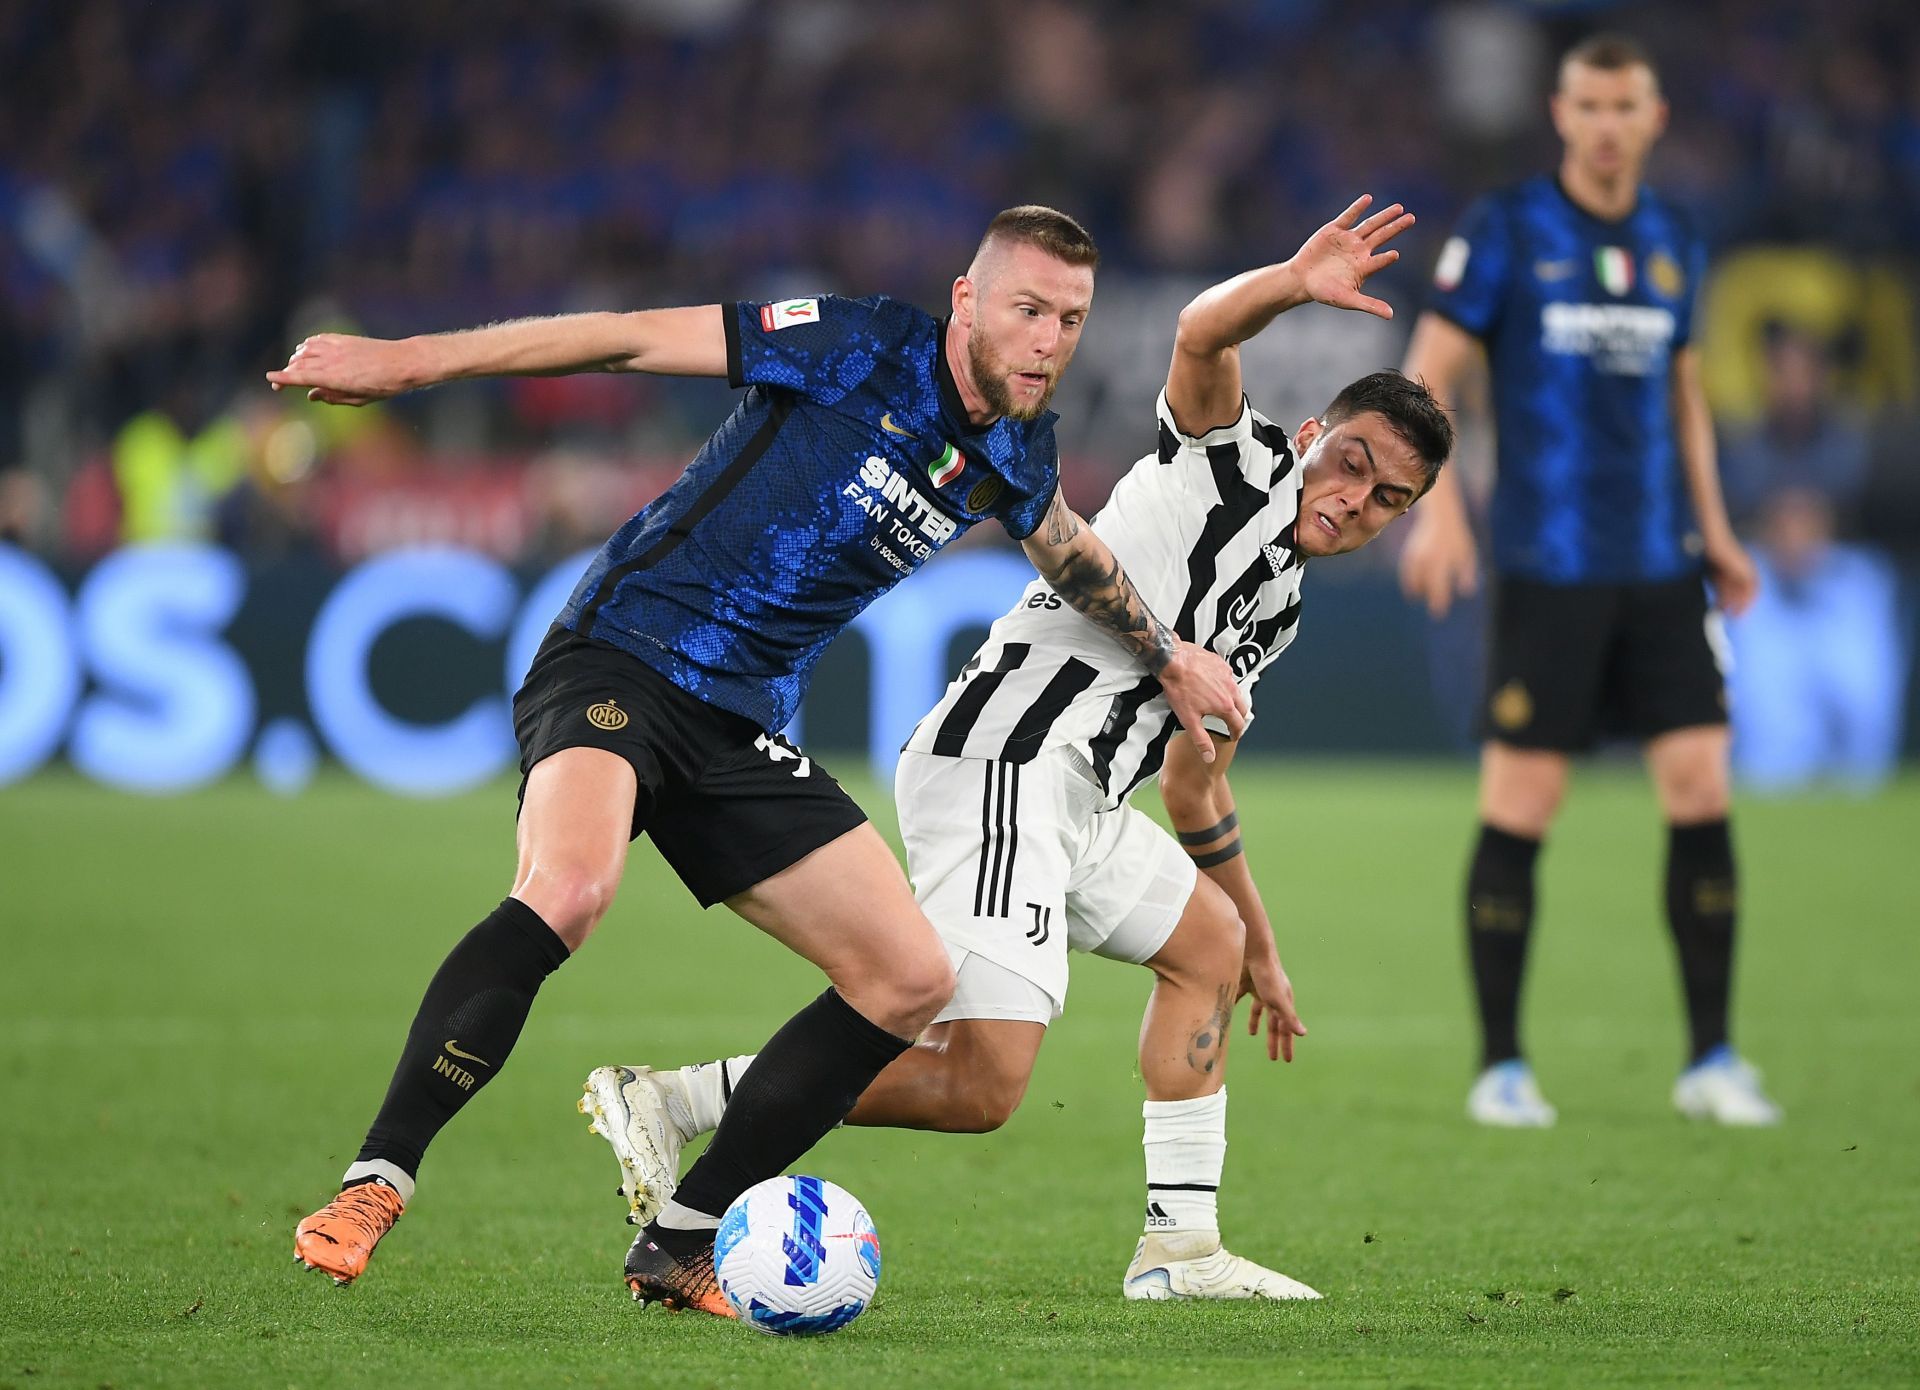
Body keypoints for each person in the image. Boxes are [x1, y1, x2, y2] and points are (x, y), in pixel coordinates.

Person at [266, 205, 1252, 1312]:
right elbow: (630, 337)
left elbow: (1067, 547)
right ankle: (375, 1179)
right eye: (1027, 309)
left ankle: (682, 1238)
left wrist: (1165, 655)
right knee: (571, 890)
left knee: (910, 978)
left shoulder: (1014, 448)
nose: (1049, 339)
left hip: (738, 728)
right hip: (624, 656)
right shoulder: (854, 341)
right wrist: (406, 364)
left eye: (1069, 318)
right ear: (968, 299)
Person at [578, 196, 1451, 1301]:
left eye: (1389, 499)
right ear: (1317, 435)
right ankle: (680, 1099)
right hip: (1011, 761)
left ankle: (1179, 1252)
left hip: (1086, 802)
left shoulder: (1277, 606)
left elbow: (1191, 783)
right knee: (982, 1087)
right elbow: (1199, 334)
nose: (1356, 499)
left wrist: (1262, 948)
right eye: (1354, 464)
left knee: (1210, 946)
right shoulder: (1232, 464)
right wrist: (1288, 279)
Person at [1395, 34, 1781, 1127]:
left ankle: (1712, 1058)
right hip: (1548, 567)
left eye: (1627, 106)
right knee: (1524, 802)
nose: (1608, 124)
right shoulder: (1509, 228)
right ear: (1561, 115)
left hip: (1662, 568)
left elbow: (1687, 400)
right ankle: (1501, 1065)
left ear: (1653, 119)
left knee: (1702, 789)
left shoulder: (1675, 238)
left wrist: (1717, 532)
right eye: (1591, 104)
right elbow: (1431, 372)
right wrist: (1435, 509)